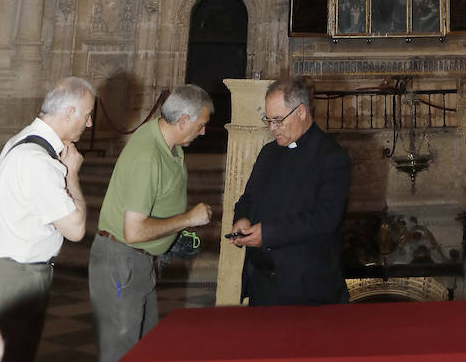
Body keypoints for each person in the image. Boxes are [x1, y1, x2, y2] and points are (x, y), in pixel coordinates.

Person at [88, 85, 213, 362]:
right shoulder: (148, 156)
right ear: (183, 121)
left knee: (146, 349)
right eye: (201, 125)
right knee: (122, 354)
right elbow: (133, 232)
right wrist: (188, 219)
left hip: (138, 262)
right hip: (121, 263)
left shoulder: (166, 141)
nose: (203, 131)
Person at [0, 77, 94, 361]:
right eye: (87, 115)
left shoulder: (21, 141)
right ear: (69, 112)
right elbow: (75, 229)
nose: (89, 124)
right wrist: (72, 175)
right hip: (16, 278)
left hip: (9, 272)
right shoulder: (37, 160)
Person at [228, 78, 351, 306]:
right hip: (263, 287)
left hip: (307, 290)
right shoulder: (268, 153)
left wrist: (269, 233)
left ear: (301, 112)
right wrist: (242, 219)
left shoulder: (332, 157)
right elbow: (248, 199)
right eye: (269, 120)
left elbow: (325, 219)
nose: (273, 128)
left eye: (278, 120)